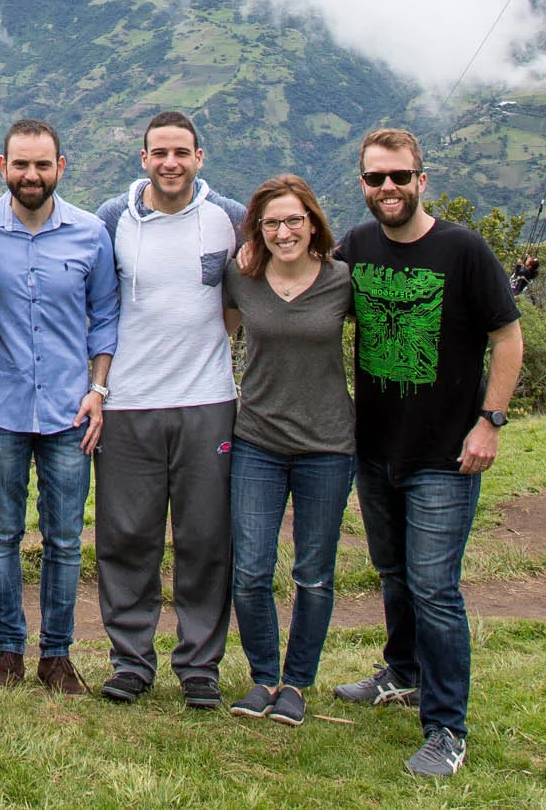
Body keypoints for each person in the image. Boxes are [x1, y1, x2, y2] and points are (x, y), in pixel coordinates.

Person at [331, 127, 522, 780]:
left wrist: (490, 420)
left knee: (435, 588)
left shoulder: (462, 249)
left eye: (399, 176)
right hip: (375, 449)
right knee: (393, 573)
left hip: (446, 455)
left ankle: (447, 728)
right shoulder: (355, 246)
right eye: (376, 177)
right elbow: (305, 292)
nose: (388, 187)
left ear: (421, 179)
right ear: (363, 182)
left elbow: (508, 334)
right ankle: (403, 672)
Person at [89, 112, 241, 709]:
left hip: (209, 402)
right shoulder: (112, 219)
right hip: (128, 402)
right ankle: (130, 661)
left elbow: (269, 271)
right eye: (160, 153)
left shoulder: (228, 219)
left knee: (205, 537)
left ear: (199, 157)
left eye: (182, 152)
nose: (170, 163)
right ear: (143, 157)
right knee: (126, 536)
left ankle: (199, 664)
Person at [0, 118, 119, 696]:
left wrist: (98, 389)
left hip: (68, 410)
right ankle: (7, 651)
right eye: (21, 164)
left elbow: (105, 317)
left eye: (42, 164)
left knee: (63, 536)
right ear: (2, 166)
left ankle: (56, 656)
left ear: (61, 167)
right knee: (1, 531)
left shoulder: (89, 235)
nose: (31, 175)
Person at [221, 174, 354, 726]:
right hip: (258, 441)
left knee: (313, 573)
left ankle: (298, 683)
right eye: (271, 222)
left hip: (328, 445)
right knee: (250, 570)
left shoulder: (343, 281)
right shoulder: (243, 278)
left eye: (293, 220)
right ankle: (262, 678)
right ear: (257, 229)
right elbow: (216, 332)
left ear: (313, 222)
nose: (283, 231)